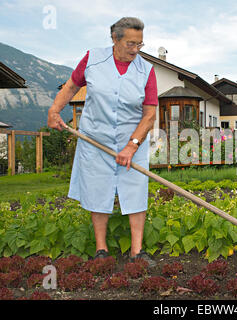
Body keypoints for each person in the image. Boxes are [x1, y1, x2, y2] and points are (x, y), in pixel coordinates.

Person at [47, 17, 158, 266]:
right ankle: (101, 250)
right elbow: (70, 87)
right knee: (98, 189)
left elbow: (149, 114)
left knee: (136, 190)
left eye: (140, 44)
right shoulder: (93, 59)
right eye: (131, 43)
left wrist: (132, 145)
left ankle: (136, 252)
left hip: (133, 140)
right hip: (95, 139)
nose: (135, 49)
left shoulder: (146, 70)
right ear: (115, 39)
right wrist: (55, 110)